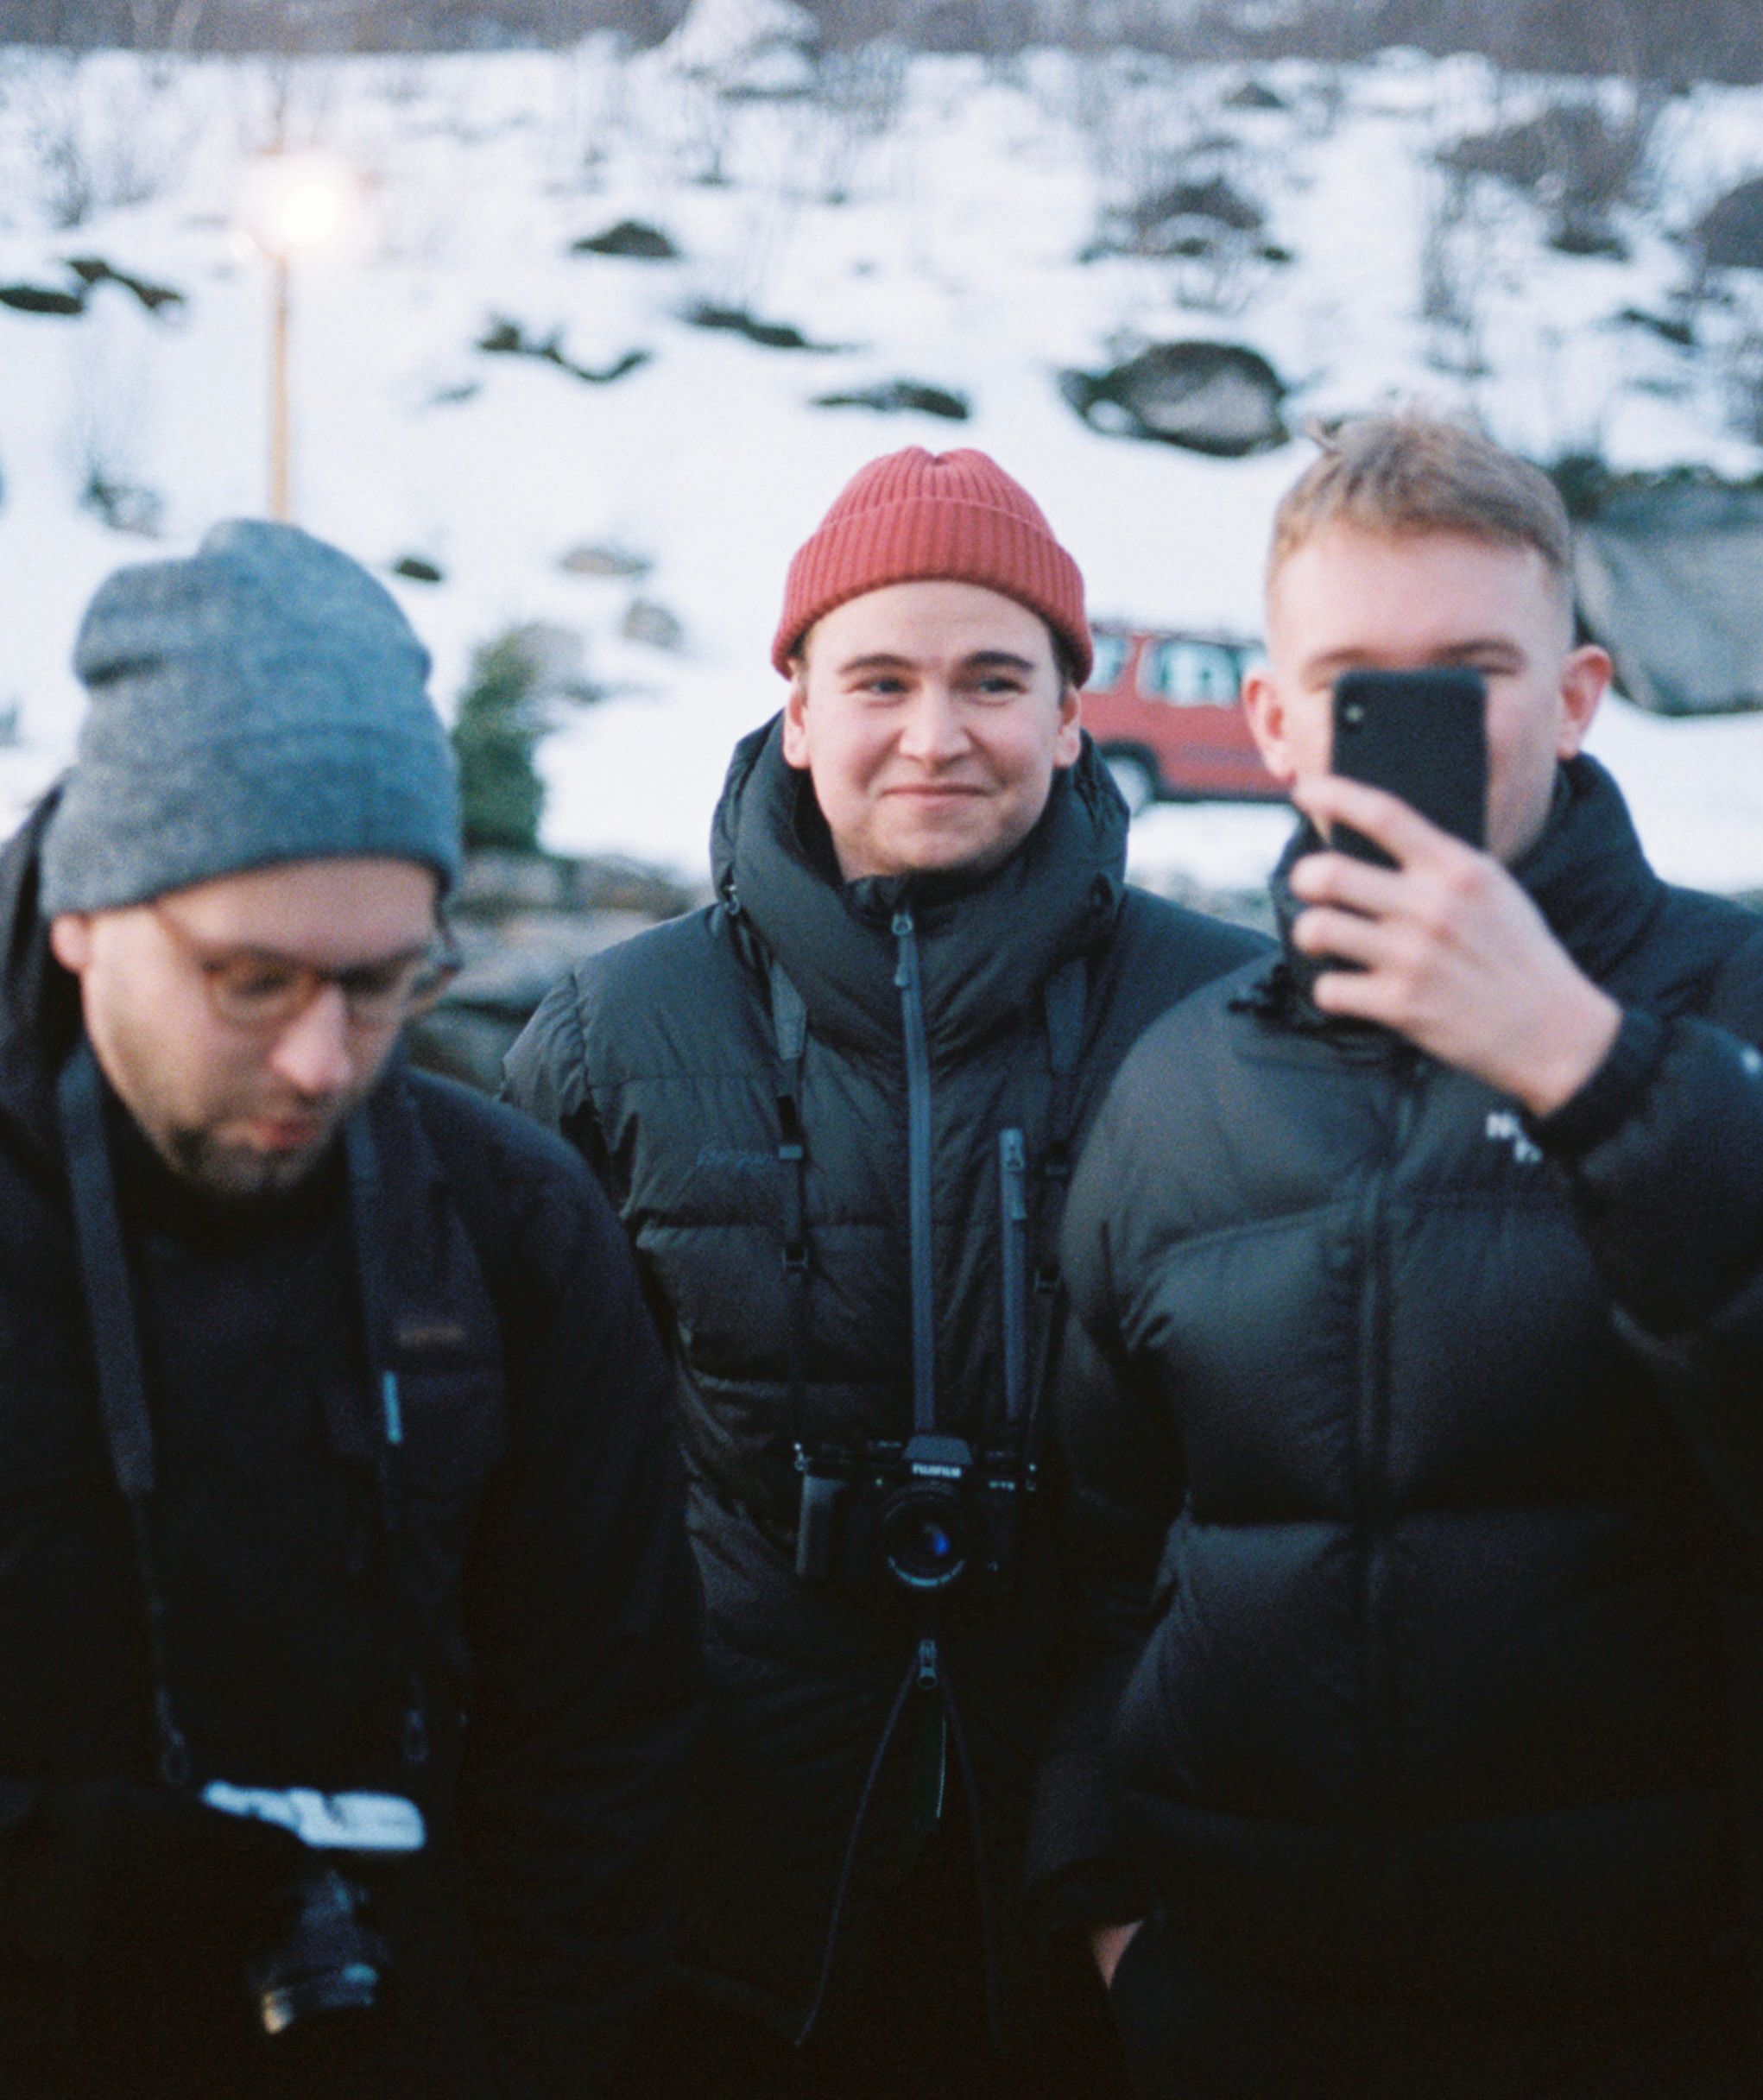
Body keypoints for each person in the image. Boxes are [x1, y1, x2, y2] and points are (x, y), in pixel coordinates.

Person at [502, 447, 1264, 2097]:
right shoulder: (614, 1032)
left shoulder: (1231, 1024)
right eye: (880, 679)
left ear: (1072, 712)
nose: (937, 732)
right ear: (794, 709)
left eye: (996, 678)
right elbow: (527, 1491)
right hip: (718, 1872)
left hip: (1117, 1864)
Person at [1043, 411, 1763, 2097]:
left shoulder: (1731, 1005)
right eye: (1364, 682)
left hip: (1662, 2007)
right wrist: (1105, 1906)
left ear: (1578, 699)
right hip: (1244, 2008)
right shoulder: (1182, 1078)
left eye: (1474, 671)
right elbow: (1095, 1551)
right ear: (1277, 723)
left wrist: (1592, 1071)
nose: (1418, 727)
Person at [0, 521, 700, 2100]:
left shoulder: (514, 1230)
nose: (326, 1060)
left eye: (386, 984)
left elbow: (605, 1746)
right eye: (252, 980)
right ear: (83, 915)